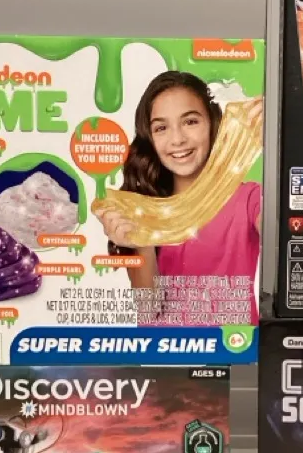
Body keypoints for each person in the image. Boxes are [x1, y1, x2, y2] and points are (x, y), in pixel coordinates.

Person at [93, 70, 262, 326]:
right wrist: (141, 241)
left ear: (213, 124)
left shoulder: (249, 199)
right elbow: (148, 310)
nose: (177, 139)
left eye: (190, 122)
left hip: (232, 347)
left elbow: (292, 237)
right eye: (161, 128)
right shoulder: (143, 206)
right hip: (164, 349)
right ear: (150, 138)